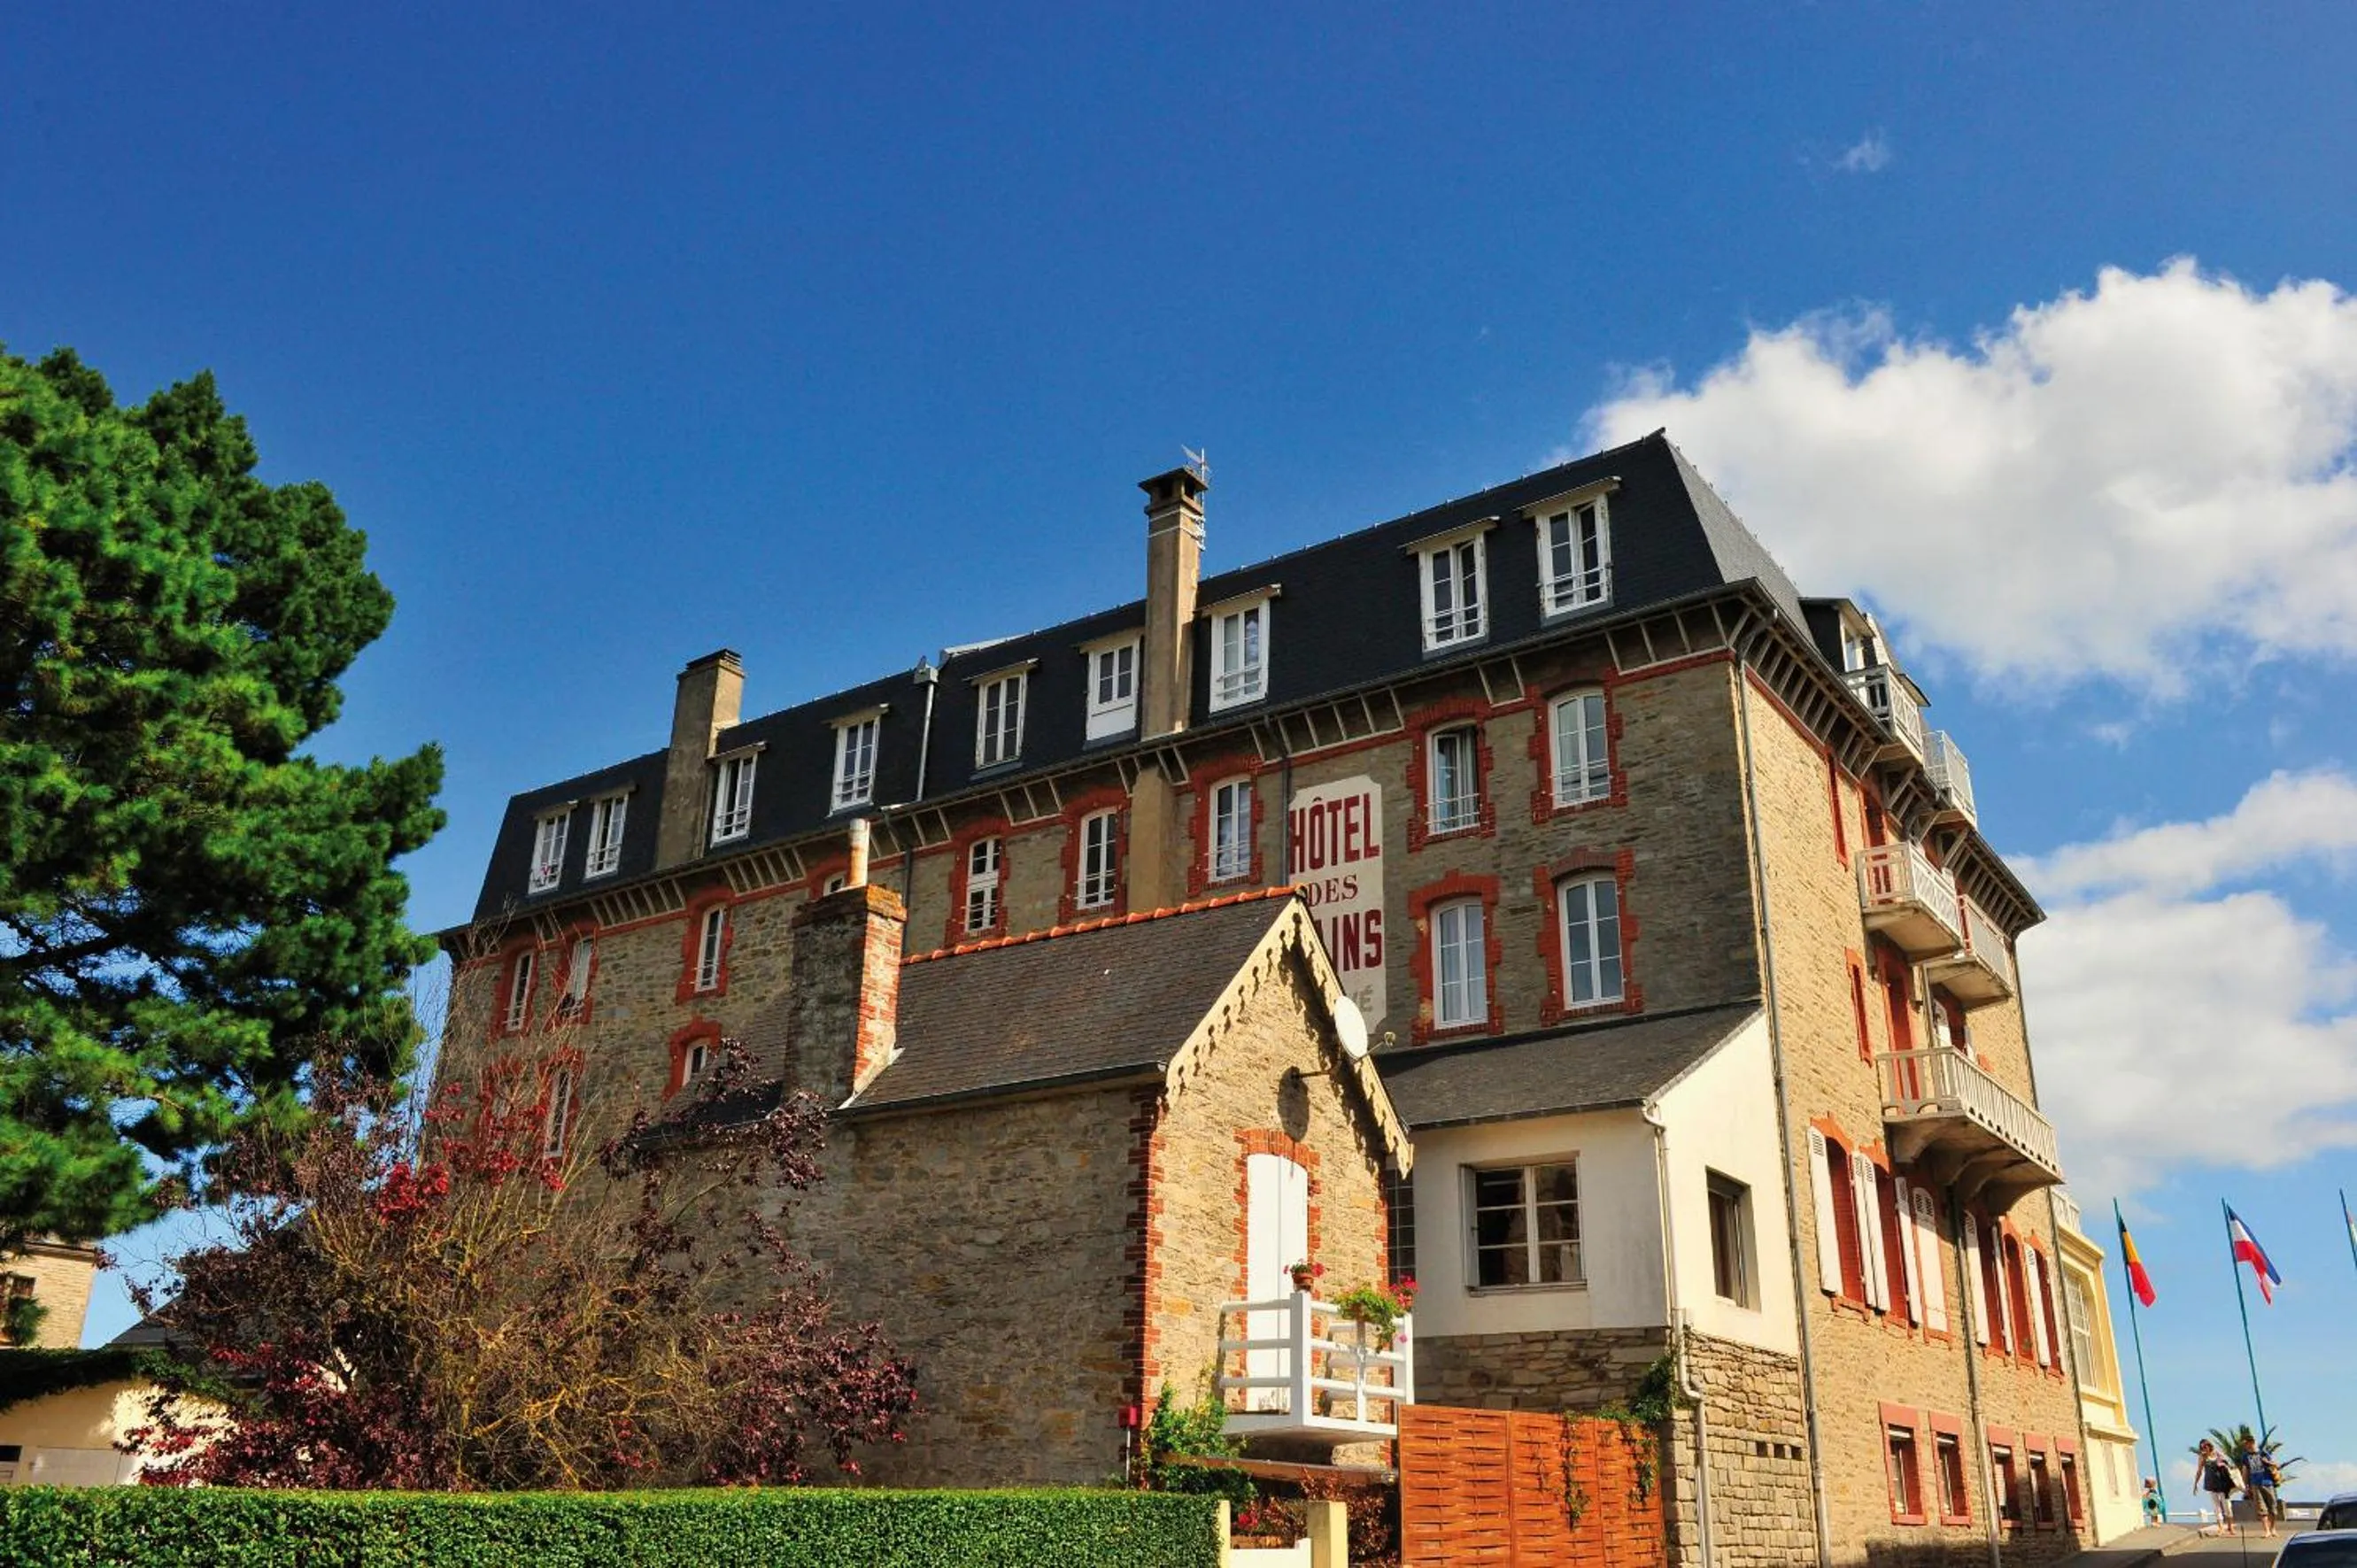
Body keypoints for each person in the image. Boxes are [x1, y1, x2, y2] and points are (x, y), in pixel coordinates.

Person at [2196, 1440, 2242, 1535]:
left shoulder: (2218, 1454)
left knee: (2227, 1506)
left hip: (2222, 1484)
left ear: (2209, 1446)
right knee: (2216, 1507)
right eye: (2202, 1448)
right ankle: (2221, 1528)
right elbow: (2199, 1471)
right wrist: (2195, 1484)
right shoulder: (2202, 1457)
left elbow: (2227, 1465)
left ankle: (2230, 1527)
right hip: (2211, 1484)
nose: (2204, 1449)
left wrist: (2222, 1463)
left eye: (2205, 1446)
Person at [2242, 1437, 2282, 1540]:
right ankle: (2267, 1531)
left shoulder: (2263, 1453)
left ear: (2252, 1443)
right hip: (2255, 1484)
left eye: (2247, 1443)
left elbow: (2276, 1465)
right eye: (2245, 1444)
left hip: (2268, 1483)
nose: (2246, 1446)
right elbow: (2245, 1471)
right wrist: (2246, 1486)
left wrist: (2267, 1462)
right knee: (2261, 1508)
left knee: (2273, 1507)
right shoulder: (2245, 1456)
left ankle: (2273, 1529)